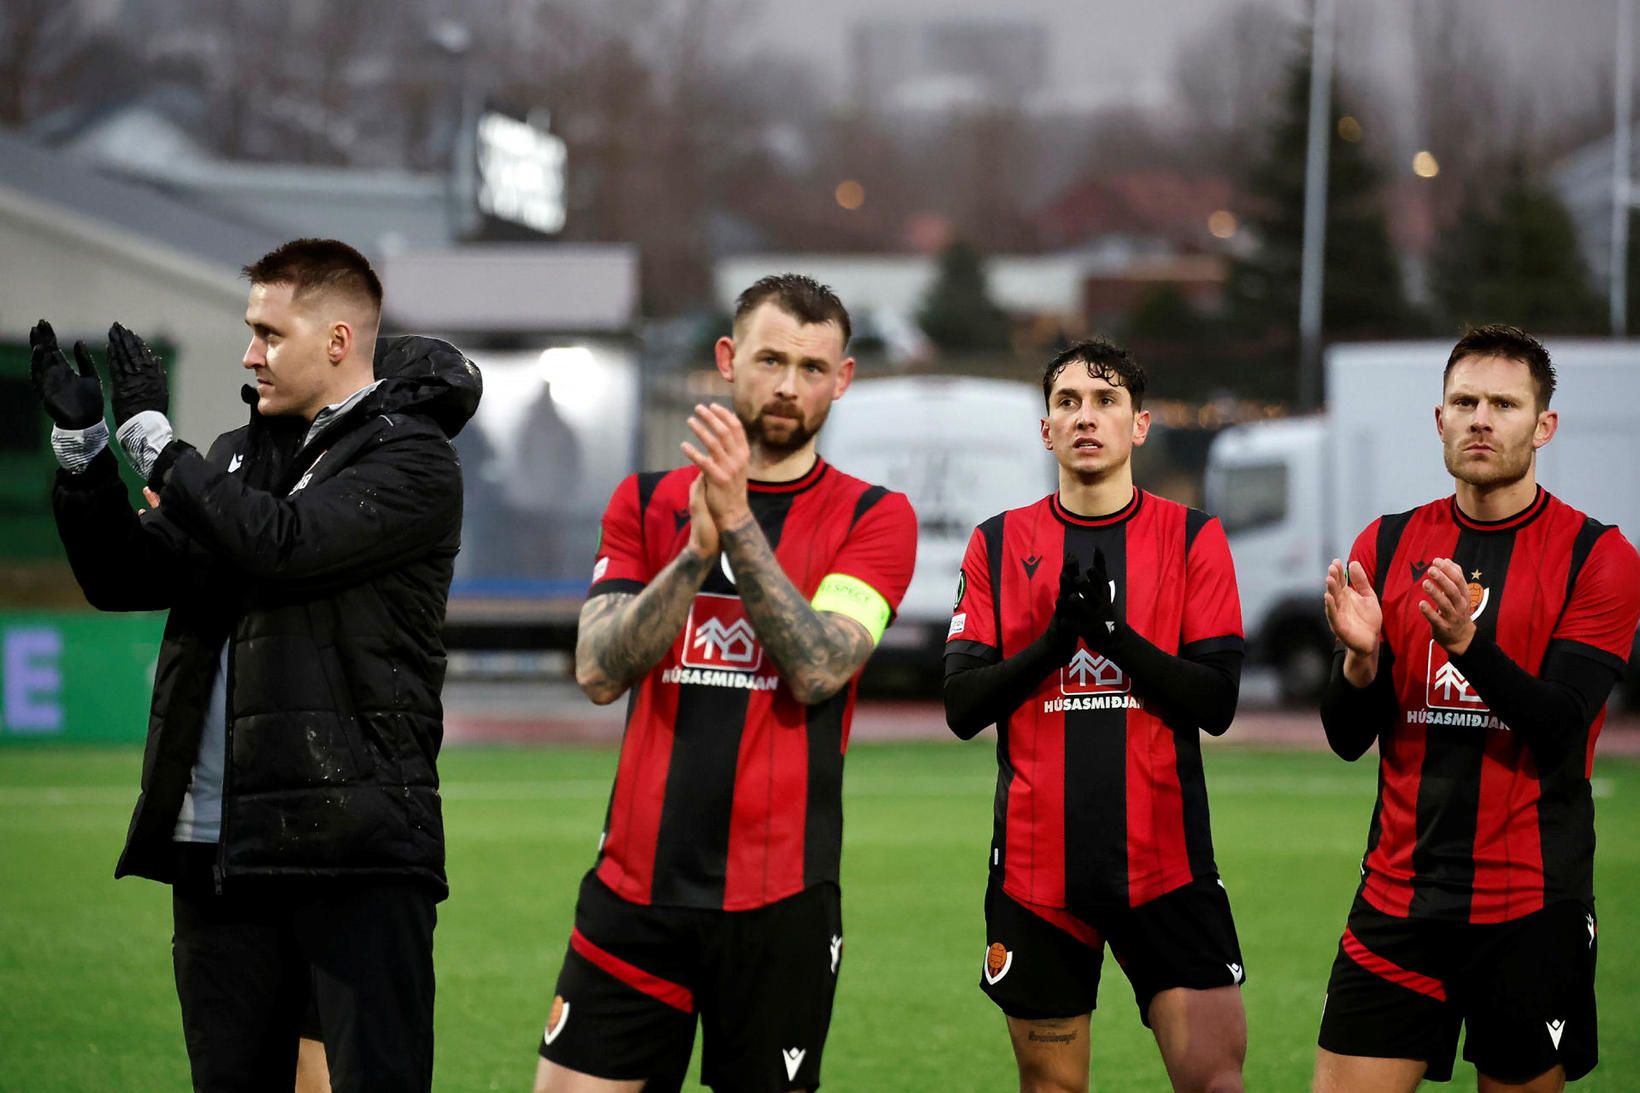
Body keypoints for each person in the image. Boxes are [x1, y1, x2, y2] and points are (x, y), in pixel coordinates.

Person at [29, 237, 481, 1093]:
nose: (249, 354)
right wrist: (86, 452)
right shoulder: (237, 457)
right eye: (250, 331)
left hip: (355, 847)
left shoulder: (413, 460)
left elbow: (284, 544)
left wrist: (160, 447)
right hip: (220, 846)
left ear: (339, 342)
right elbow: (123, 575)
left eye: (270, 333)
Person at [533, 274, 917, 1093]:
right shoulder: (645, 500)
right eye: (771, 358)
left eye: (814, 367)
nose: (788, 385)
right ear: (726, 358)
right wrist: (693, 552)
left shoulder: (874, 518)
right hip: (634, 891)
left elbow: (818, 667)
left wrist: (737, 525)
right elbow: (598, 669)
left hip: (780, 904)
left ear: (842, 379)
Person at [1314, 325, 1640, 1092]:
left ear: (1543, 425)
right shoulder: (1389, 544)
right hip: (1397, 899)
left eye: (1503, 402)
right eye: (1464, 401)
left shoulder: (1598, 557)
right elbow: (1344, 736)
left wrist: (1467, 641)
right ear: (1439, 420)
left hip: (1530, 907)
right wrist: (1360, 664)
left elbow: (1559, 727)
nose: (1481, 419)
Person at [944, 337, 1248, 1093]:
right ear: (1045, 428)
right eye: (1068, 402)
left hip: (1168, 870)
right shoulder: (996, 543)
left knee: (1215, 1083)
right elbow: (960, 705)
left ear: (1139, 424)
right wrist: (1053, 645)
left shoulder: (1193, 538)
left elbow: (1216, 702)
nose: (1087, 416)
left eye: (1107, 400)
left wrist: (1114, 639)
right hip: (1037, 877)